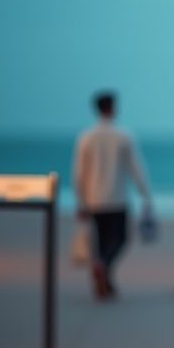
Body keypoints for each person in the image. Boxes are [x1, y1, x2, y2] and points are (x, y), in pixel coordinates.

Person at [71, 91, 153, 300]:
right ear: (113, 108)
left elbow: (79, 173)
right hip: (117, 198)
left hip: (93, 199)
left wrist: (80, 201)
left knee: (99, 241)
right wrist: (145, 193)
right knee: (120, 239)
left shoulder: (86, 137)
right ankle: (104, 268)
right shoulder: (123, 136)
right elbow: (136, 168)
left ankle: (104, 275)